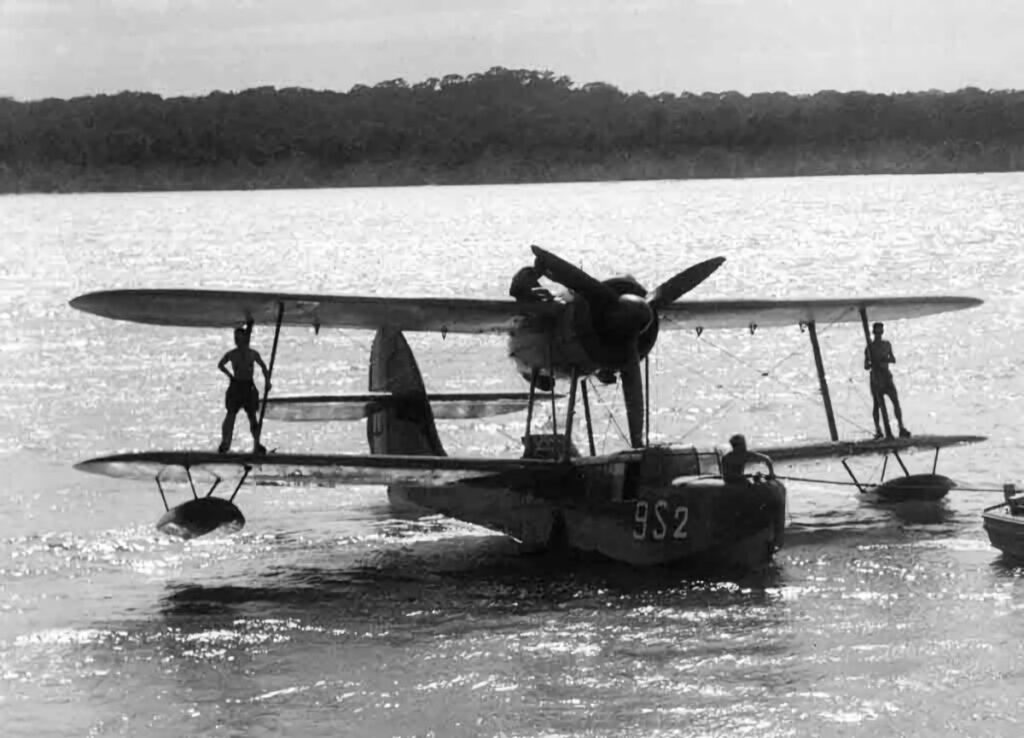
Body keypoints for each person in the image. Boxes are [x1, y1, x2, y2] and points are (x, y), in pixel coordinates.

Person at [217, 321, 271, 454]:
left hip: (248, 386)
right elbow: (221, 364)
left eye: (240, 339)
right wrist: (230, 375)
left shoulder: (252, 353)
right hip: (236, 385)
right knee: (231, 415)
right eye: (236, 339)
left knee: (252, 416)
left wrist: (267, 382)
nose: (238, 341)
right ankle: (225, 443)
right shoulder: (232, 354)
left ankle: (256, 443)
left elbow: (264, 367)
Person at [864, 322, 910, 439]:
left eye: (881, 331)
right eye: (877, 332)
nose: (879, 334)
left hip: (886, 377)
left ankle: (901, 427)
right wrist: (872, 363)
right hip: (876, 379)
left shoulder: (887, 344)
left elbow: (893, 359)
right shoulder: (870, 347)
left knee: (895, 401)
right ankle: (879, 430)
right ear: (874, 332)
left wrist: (885, 360)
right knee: (877, 405)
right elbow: (866, 365)